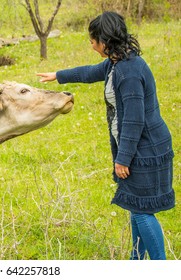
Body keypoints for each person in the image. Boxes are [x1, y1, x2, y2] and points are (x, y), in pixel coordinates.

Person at [37, 11, 175, 260]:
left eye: (93, 40)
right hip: (141, 146)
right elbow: (91, 72)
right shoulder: (118, 63)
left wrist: (123, 159)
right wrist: (59, 75)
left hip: (146, 149)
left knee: (142, 211)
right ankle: (136, 261)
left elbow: (134, 121)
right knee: (136, 206)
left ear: (105, 40)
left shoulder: (129, 72)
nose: (91, 44)